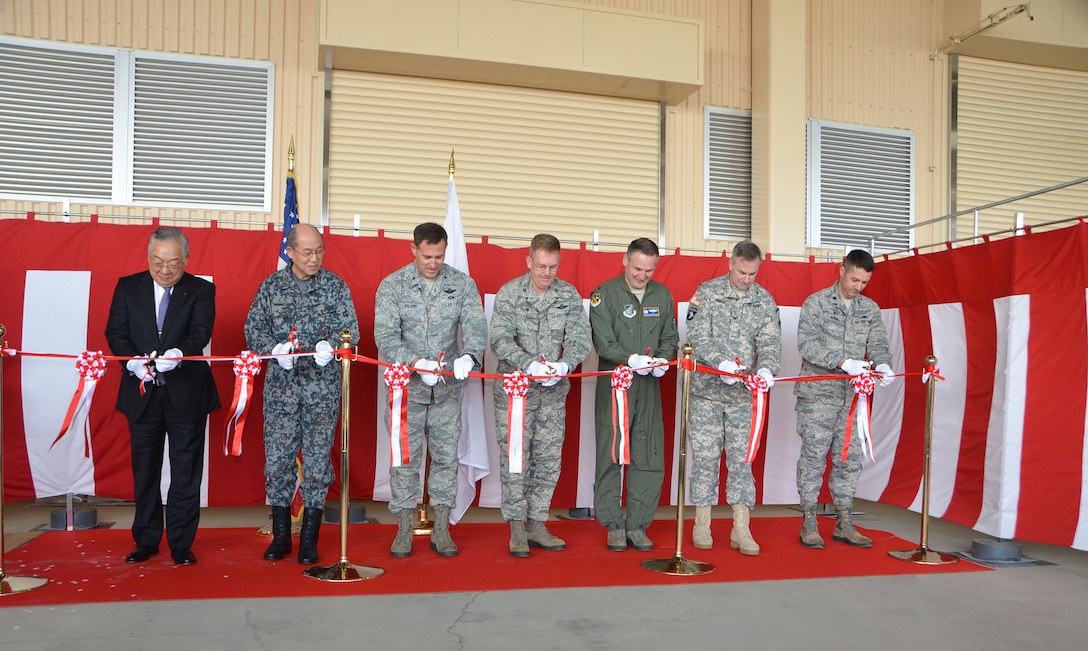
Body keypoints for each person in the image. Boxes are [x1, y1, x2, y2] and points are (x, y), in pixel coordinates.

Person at [244, 223, 359, 565]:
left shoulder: (335, 286)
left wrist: (335, 345)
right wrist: (273, 348)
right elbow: (253, 328)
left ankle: (309, 539)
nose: (315, 258)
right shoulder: (271, 287)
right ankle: (281, 536)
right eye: (307, 251)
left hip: (321, 392)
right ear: (289, 252)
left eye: (319, 250)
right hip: (281, 392)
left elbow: (350, 329)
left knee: (317, 465)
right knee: (278, 463)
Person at [105, 226, 220, 566]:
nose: (165, 270)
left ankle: (182, 543)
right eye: (158, 262)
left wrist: (177, 353)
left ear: (186, 259)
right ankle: (146, 540)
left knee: (185, 472)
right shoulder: (128, 287)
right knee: (145, 471)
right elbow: (115, 332)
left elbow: (201, 331)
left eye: (173, 262)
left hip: (187, 392)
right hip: (142, 393)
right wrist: (133, 362)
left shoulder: (201, 290)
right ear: (148, 257)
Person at [374, 222, 487, 558]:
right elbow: (385, 337)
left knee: (446, 460)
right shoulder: (393, 286)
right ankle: (404, 528)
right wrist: (415, 363)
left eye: (439, 255)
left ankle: (441, 528)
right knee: (404, 461)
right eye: (427, 256)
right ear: (414, 250)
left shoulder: (462, 285)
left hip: (448, 390)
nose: (433, 263)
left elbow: (476, 326)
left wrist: (470, 355)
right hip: (406, 390)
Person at [490, 234, 591, 557]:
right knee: (517, 458)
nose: (547, 273)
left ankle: (538, 521)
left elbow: (580, 338)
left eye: (553, 267)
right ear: (529, 262)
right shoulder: (510, 293)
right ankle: (517, 525)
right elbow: (500, 339)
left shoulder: (568, 294)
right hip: (516, 391)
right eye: (541, 266)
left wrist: (565, 364)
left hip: (552, 392)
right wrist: (528, 364)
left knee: (548, 458)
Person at [794, 249, 896, 549]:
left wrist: (883, 364)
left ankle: (844, 520)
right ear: (842, 270)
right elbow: (806, 345)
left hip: (852, 398)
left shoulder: (870, 309)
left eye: (864, 282)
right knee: (813, 458)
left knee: (849, 460)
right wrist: (843, 362)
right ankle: (809, 519)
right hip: (818, 397)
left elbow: (878, 343)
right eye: (854, 279)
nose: (858, 287)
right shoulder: (816, 303)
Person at [685, 241, 781, 556]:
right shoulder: (707, 292)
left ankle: (741, 527)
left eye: (753, 273)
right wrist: (719, 363)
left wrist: (767, 369)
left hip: (742, 396)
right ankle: (702, 522)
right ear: (731, 263)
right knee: (706, 459)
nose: (746, 279)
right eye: (742, 272)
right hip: (707, 393)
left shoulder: (764, 300)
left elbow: (770, 341)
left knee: (742, 461)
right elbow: (697, 336)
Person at [589, 237, 679, 552]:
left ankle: (637, 524)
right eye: (638, 269)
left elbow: (670, 335)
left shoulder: (663, 295)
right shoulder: (604, 295)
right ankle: (613, 524)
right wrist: (631, 359)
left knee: (649, 453)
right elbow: (603, 341)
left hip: (650, 387)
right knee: (611, 453)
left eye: (649, 271)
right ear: (625, 262)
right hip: (615, 384)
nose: (642, 276)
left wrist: (662, 360)